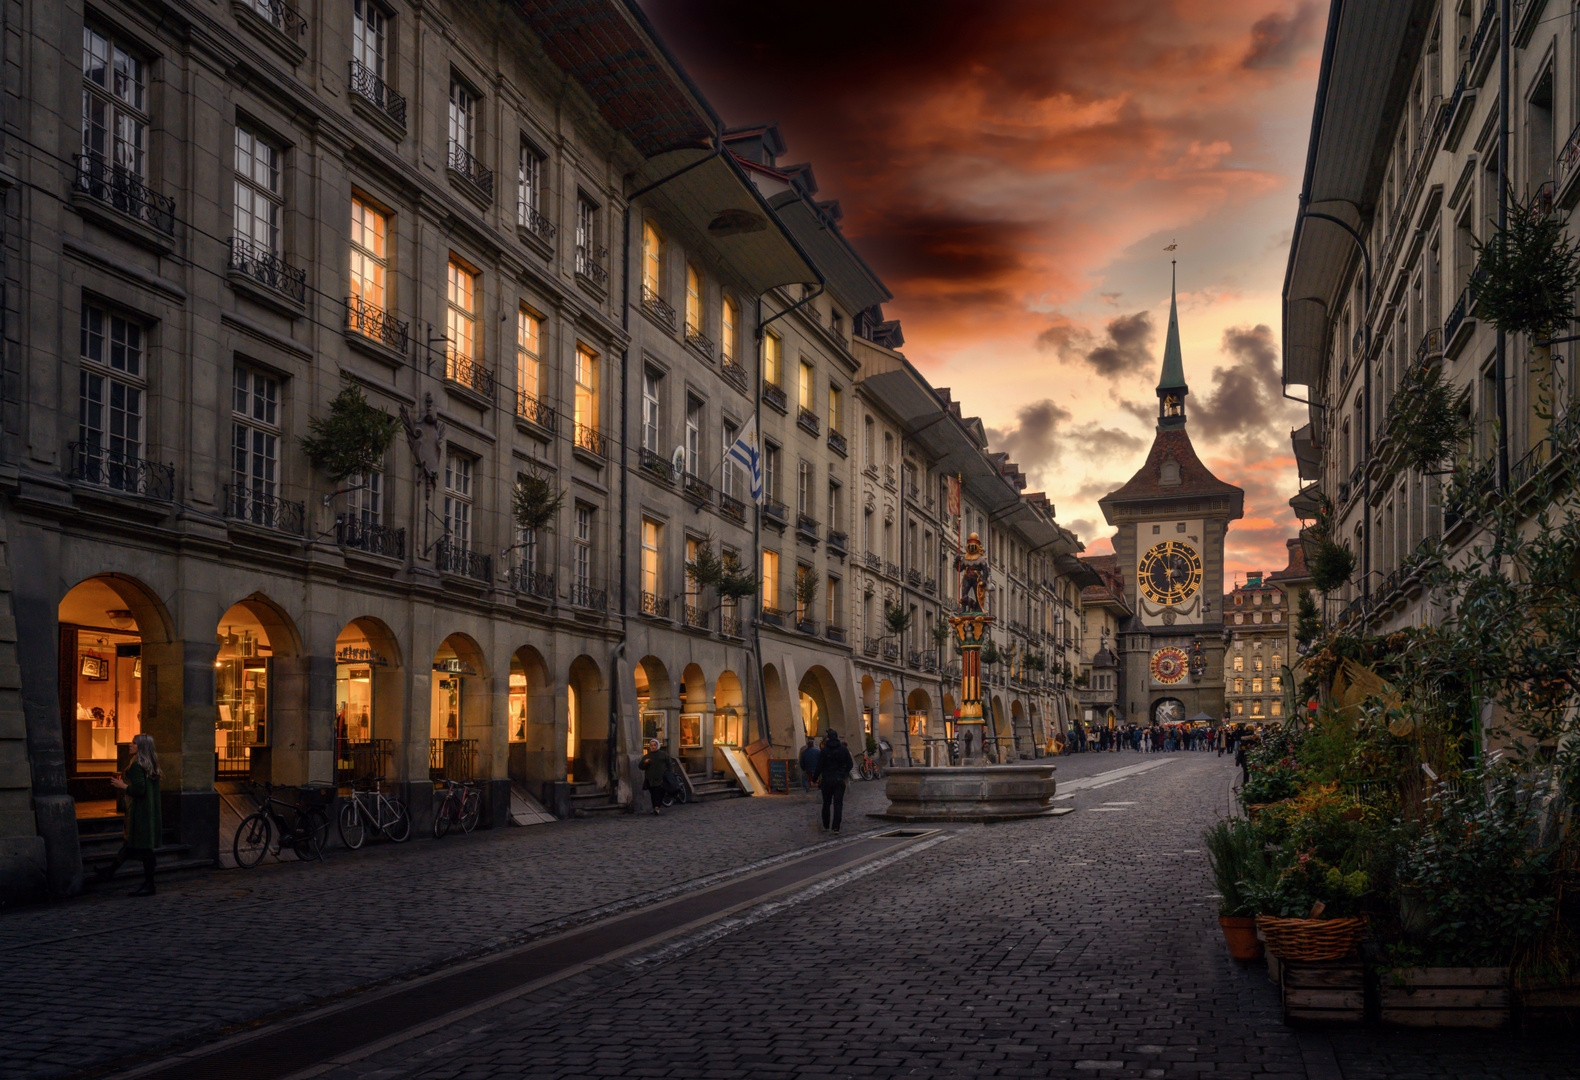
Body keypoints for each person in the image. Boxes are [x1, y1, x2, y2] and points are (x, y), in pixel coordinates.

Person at [99, 733, 161, 896]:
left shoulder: (136, 765)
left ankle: (149, 884)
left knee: (144, 848)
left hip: (140, 812)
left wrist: (122, 785)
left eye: (134, 743)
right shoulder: (150, 764)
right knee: (131, 845)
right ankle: (109, 872)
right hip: (149, 811)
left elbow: (139, 790)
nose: (130, 745)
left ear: (141, 747)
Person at [814, 730, 854, 833]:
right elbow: (850, 764)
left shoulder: (824, 750)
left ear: (828, 738)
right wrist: (843, 772)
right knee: (838, 803)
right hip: (839, 779)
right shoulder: (843, 749)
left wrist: (815, 778)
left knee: (826, 803)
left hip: (827, 779)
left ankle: (826, 825)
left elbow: (819, 766)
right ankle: (836, 827)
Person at [640, 738, 672, 816]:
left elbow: (669, 764)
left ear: (657, 745)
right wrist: (645, 763)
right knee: (653, 794)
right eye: (651, 745)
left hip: (661, 778)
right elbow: (641, 766)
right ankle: (655, 807)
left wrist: (669, 774)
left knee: (659, 793)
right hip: (650, 779)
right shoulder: (647, 756)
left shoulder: (663, 754)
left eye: (654, 745)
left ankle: (657, 807)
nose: (653, 747)